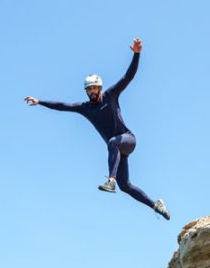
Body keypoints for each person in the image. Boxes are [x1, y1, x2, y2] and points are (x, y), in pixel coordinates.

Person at [25, 37, 169, 220]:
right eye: (88, 90)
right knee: (125, 186)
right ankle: (156, 205)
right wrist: (40, 102)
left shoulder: (110, 95)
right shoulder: (85, 108)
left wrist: (136, 54)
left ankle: (111, 180)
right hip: (116, 149)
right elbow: (62, 105)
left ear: (99, 88)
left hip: (128, 139)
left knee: (112, 143)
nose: (92, 92)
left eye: (94, 88)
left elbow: (128, 77)